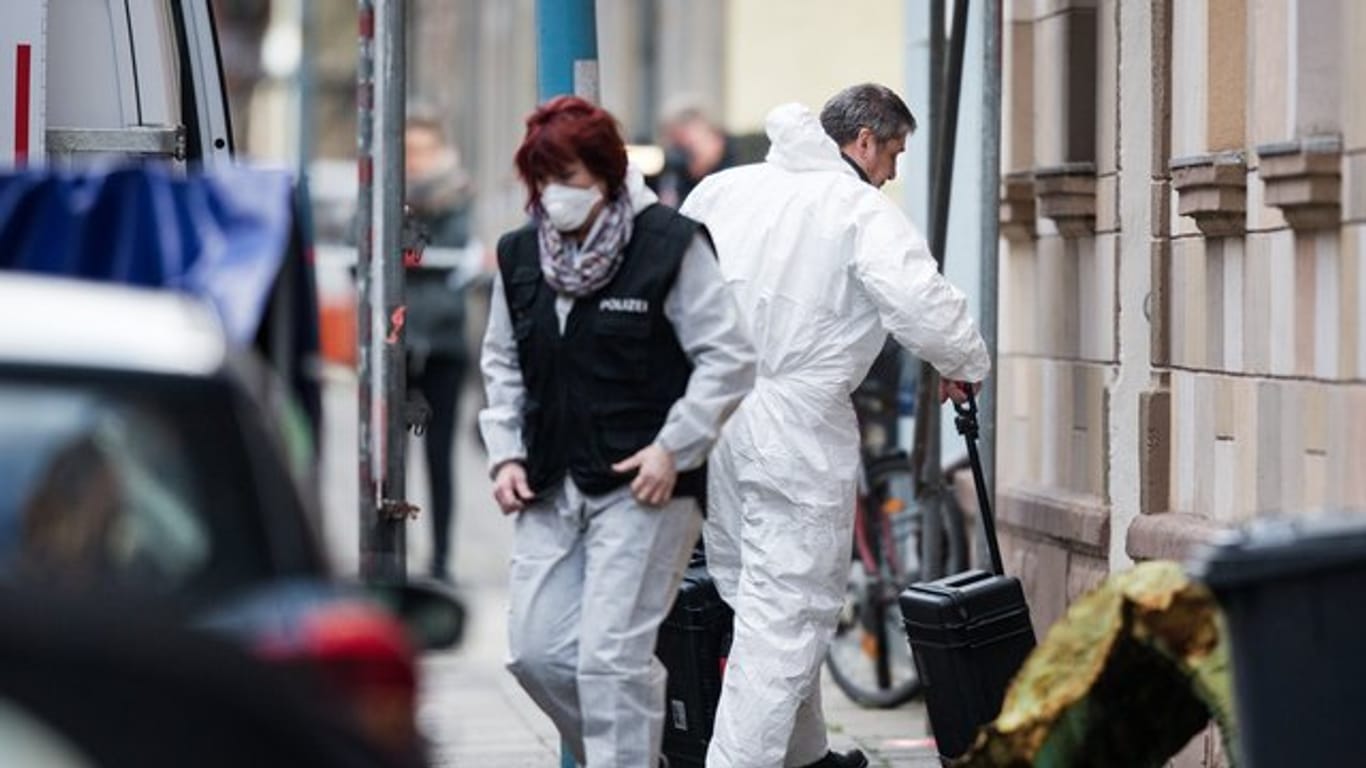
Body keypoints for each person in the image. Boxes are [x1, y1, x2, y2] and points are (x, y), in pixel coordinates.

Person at [680, 84, 991, 768]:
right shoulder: (853, 209)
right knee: (784, 617)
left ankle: (809, 759)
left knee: (760, 600)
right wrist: (964, 361)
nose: (893, 173)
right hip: (793, 425)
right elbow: (923, 301)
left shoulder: (724, 190)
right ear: (864, 142)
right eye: (894, 154)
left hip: (717, 420)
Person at [478, 96, 755, 767]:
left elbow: (728, 357)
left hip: (646, 487)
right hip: (549, 480)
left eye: (569, 180)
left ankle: (626, 754)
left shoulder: (668, 244)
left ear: (605, 175)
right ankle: (638, 746)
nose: (555, 197)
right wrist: (506, 455)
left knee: (609, 660)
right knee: (536, 654)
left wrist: (675, 448)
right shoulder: (520, 255)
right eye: (543, 181)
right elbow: (504, 361)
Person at [403, 107, 474, 582]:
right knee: (389, 458)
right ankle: (390, 556)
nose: (416, 161)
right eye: (408, 150)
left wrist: (405, 247)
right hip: (394, 346)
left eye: (425, 149)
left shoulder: (457, 195)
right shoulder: (379, 190)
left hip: (443, 346)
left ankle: (442, 558)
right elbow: (356, 250)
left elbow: (439, 255)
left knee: (439, 456)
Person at [655, 101, 738, 208]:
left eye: (689, 143)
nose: (682, 154)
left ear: (717, 138)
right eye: (677, 146)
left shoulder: (740, 171)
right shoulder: (676, 173)